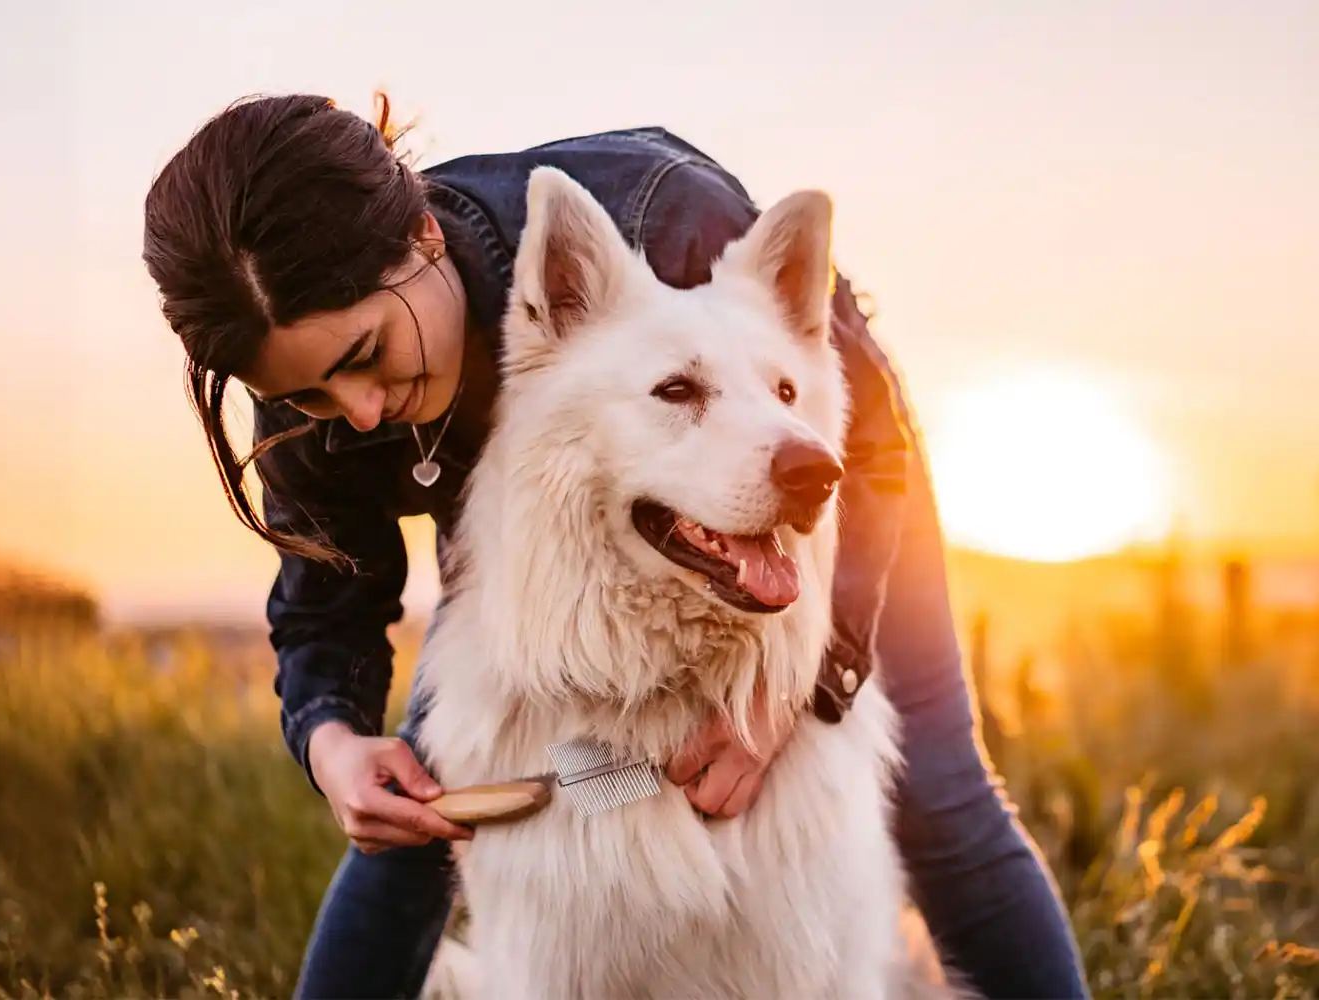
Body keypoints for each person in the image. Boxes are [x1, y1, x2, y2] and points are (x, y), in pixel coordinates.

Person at [140, 92, 1089, 1000]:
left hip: (831, 483)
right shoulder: (301, 357)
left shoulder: (669, 220)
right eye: (307, 396)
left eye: (366, 355)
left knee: (941, 792)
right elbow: (327, 598)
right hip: (560, 529)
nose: (359, 412)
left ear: (422, 237)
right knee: (430, 801)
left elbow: (866, 447)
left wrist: (807, 685)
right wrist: (335, 741)